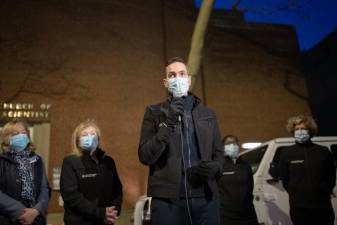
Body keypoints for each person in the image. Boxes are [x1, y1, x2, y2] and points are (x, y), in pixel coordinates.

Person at [138, 57, 223, 225]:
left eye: (182, 74)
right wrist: (167, 123)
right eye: (172, 75)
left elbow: (218, 153)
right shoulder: (154, 112)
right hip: (168, 201)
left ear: (189, 79)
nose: (177, 78)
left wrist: (216, 167)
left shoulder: (208, 114)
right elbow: (145, 156)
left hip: (205, 197)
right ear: (165, 82)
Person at [60, 120, 123, 225]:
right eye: (84, 135)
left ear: (98, 138)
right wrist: (100, 213)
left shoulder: (108, 161)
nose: (90, 137)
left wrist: (113, 212)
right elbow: (71, 196)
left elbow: (117, 189)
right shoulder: (70, 161)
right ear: (77, 140)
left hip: (106, 221)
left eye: (93, 134)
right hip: (79, 221)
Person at [279, 115, 336, 225]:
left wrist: (324, 191)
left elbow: (331, 176)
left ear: (310, 130)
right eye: (297, 129)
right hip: (299, 208)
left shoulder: (322, 151)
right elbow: (285, 179)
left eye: (303, 128)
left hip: (322, 206)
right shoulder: (286, 153)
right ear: (292, 131)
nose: (300, 131)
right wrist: (295, 193)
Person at [0, 120, 49, 225]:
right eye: (15, 134)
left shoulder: (37, 160)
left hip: (36, 219)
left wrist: (36, 210)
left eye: (23, 133)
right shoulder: (1, 161)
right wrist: (21, 212)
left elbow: (44, 189)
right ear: (6, 138)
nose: (21, 136)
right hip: (8, 219)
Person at [217, 135, 258, 225]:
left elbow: (250, 186)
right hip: (227, 215)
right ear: (223, 147)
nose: (232, 145)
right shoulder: (219, 166)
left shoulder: (245, 165)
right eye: (228, 143)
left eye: (234, 143)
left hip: (248, 213)